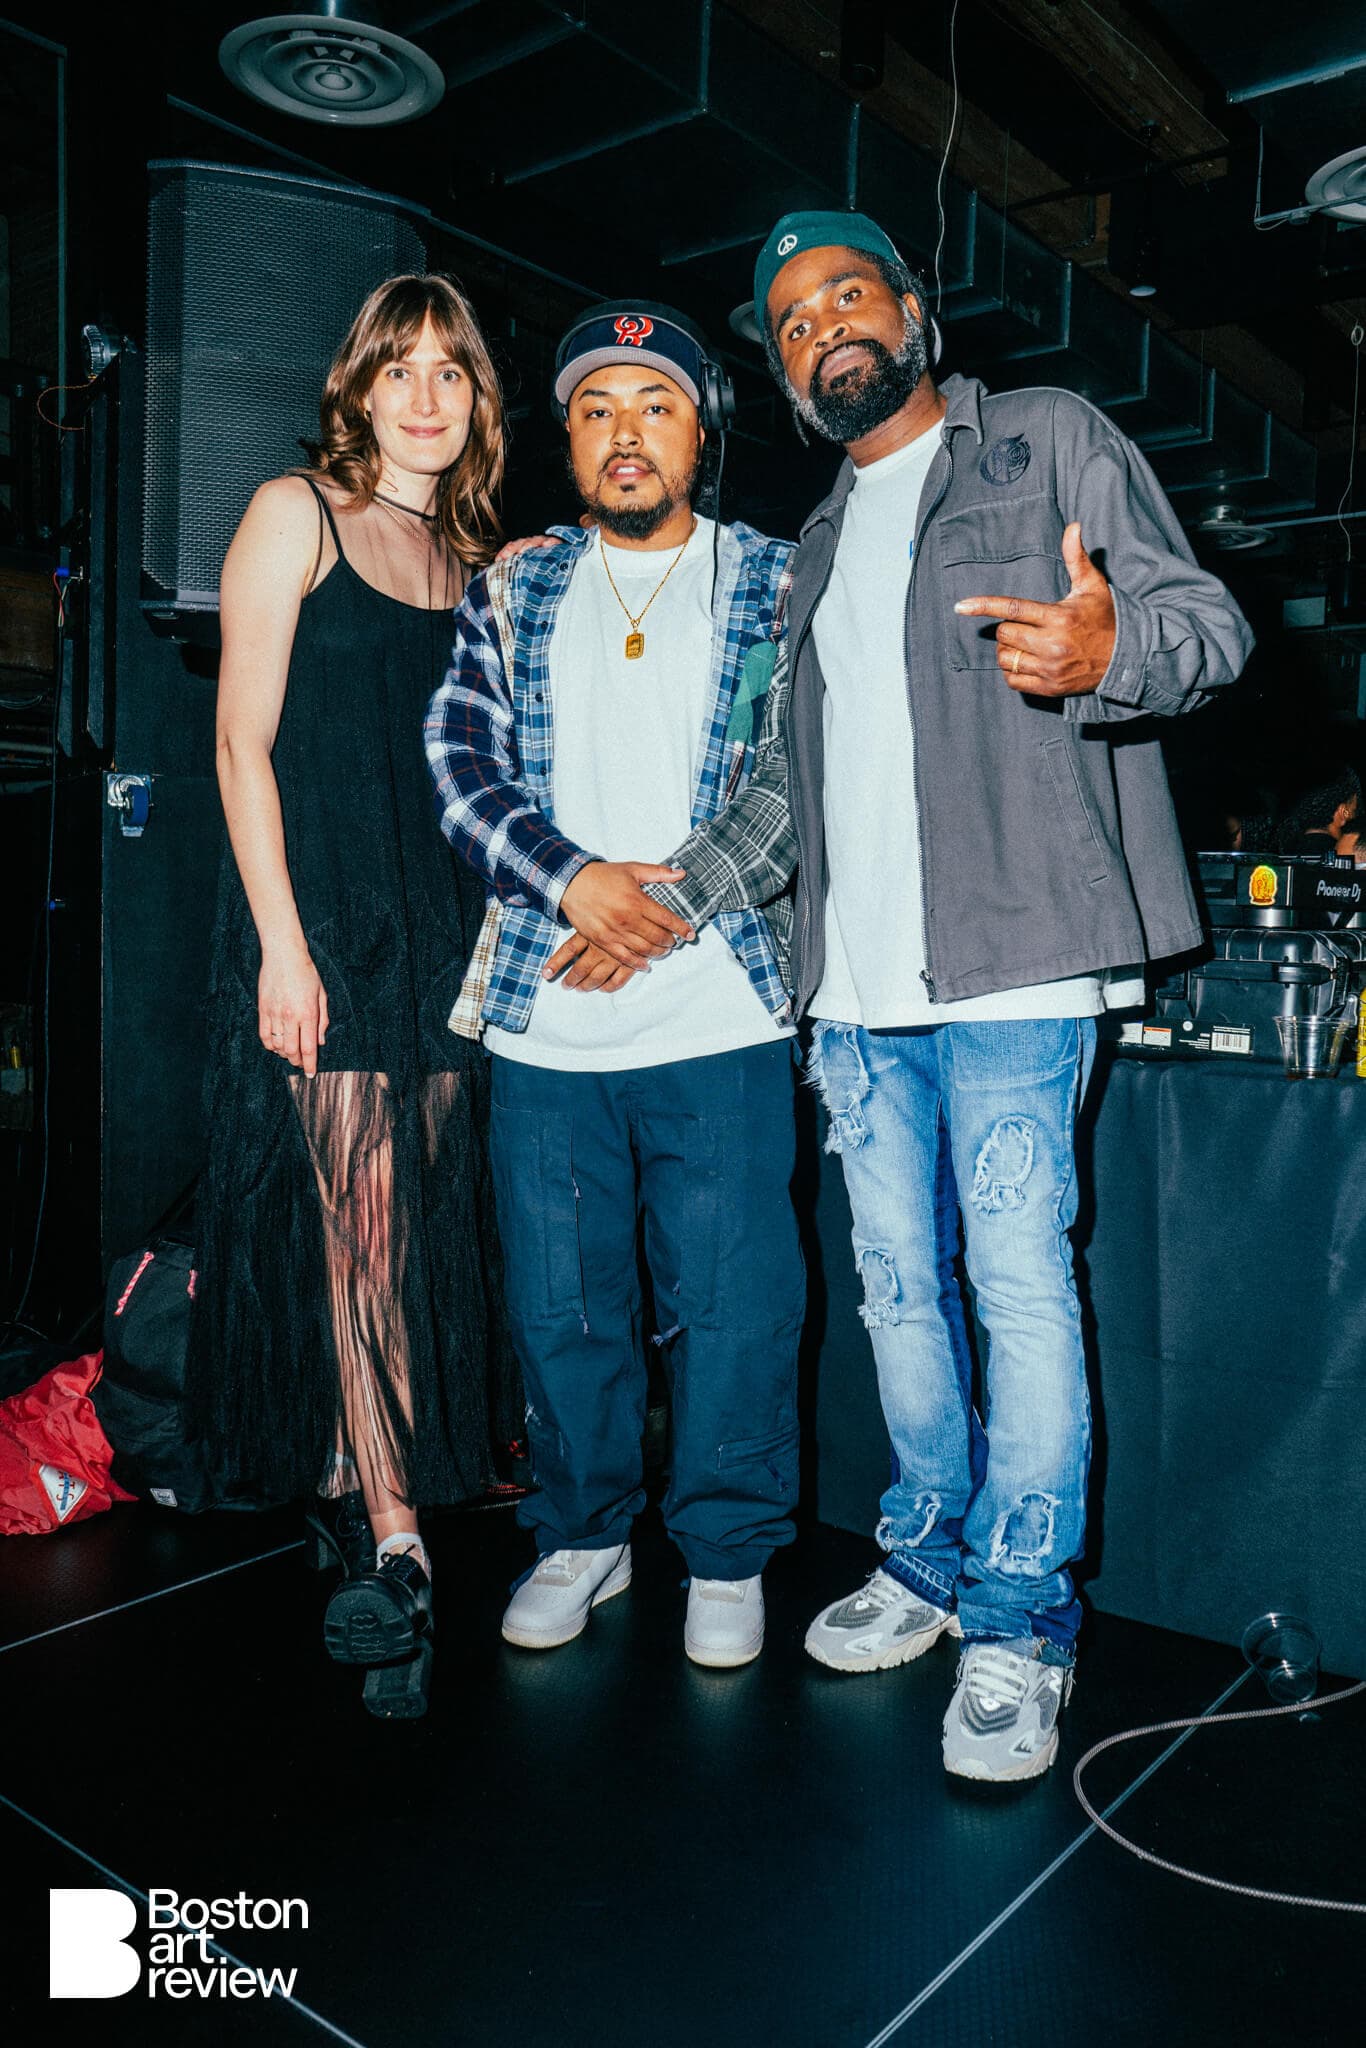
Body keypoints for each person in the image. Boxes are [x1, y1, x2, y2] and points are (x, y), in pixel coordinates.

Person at [560, 212, 1253, 1777]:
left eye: (845, 298)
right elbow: (786, 790)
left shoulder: (1044, 440)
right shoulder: (811, 544)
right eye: (792, 323)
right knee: (895, 1293)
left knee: (1015, 1287)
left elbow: (1204, 627)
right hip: (856, 993)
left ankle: (1020, 1621)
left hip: (1018, 962)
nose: (822, 332)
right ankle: (927, 1562)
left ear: (915, 311)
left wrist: (1108, 647)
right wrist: (669, 900)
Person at [424, 301, 804, 1669]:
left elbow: (799, 777)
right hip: (548, 1020)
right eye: (595, 409)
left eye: (654, 405)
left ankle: (726, 1550)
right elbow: (460, 767)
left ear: (703, 429)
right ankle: (582, 1535)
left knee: (735, 1309)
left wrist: (665, 900)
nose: (624, 433)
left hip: (722, 1012)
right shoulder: (512, 589)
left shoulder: (778, 581)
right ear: (569, 441)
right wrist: (575, 880)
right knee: (561, 1308)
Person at [187, 275, 519, 1719]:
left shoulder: (475, 563)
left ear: (477, 399)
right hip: (323, 927)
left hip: (443, 934)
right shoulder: (295, 515)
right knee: (363, 1232)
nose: (427, 397)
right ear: (362, 388)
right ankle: (395, 1539)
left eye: (453, 371)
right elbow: (238, 745)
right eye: (403, 369)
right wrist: (281, 945)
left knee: (422, 1227)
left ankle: (353, 1479)